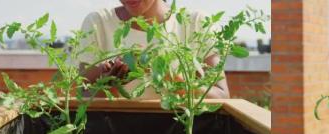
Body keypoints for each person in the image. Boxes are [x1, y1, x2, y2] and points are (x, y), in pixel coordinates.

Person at [78, 0, 230, 99]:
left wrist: (170, 78)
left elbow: (221, 96)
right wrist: (108, 85)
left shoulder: (195, 23)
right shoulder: (97, 23)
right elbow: (81, 95)